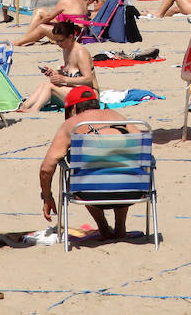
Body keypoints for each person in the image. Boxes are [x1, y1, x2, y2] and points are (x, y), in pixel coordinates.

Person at [38, 87, 147, 241]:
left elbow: (46, 168)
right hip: (133, 190)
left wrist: (47, 196)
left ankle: (104, 229)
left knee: (84, 175)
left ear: (74, 108)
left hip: (87, 193)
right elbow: (142, 145)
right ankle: (120, 229)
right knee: (121, 167)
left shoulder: (71, 125)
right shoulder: (117, 117)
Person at [19, 19, 98, 112]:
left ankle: (35, 109)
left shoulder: (80, 52)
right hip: (76, 89)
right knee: (45, 84)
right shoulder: (66, 48)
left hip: (89, 95)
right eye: (56, 41)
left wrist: (64, 79)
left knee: (50, 87)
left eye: (61, 41)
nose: (58, 44)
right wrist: (55, 73)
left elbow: (88, 79)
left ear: (70, 37)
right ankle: (24, 106)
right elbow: (70, 71)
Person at [14, 0, 89, 47]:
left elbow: (49, 17)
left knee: (41, 27)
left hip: (70, 34)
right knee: (40, 11)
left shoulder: (65, 1)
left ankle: (18, 42)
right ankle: (28, 36)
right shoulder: (82, 2)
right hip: (79, 31)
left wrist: (38, 23)